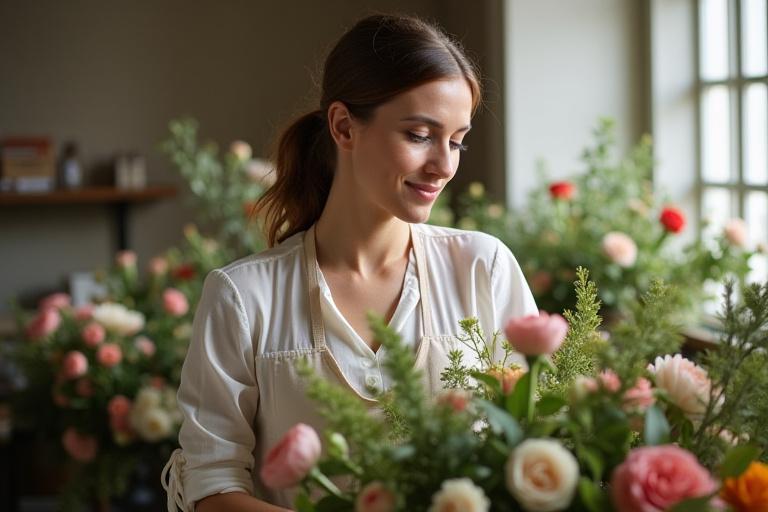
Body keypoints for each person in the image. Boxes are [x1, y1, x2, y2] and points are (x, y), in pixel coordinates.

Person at [161, 13, 537, 512]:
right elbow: (213, 489)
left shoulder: (482, 267)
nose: (445, 166)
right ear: (343, 126)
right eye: (420, 134)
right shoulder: (242, 297)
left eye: (457, 140)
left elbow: (538, 442)